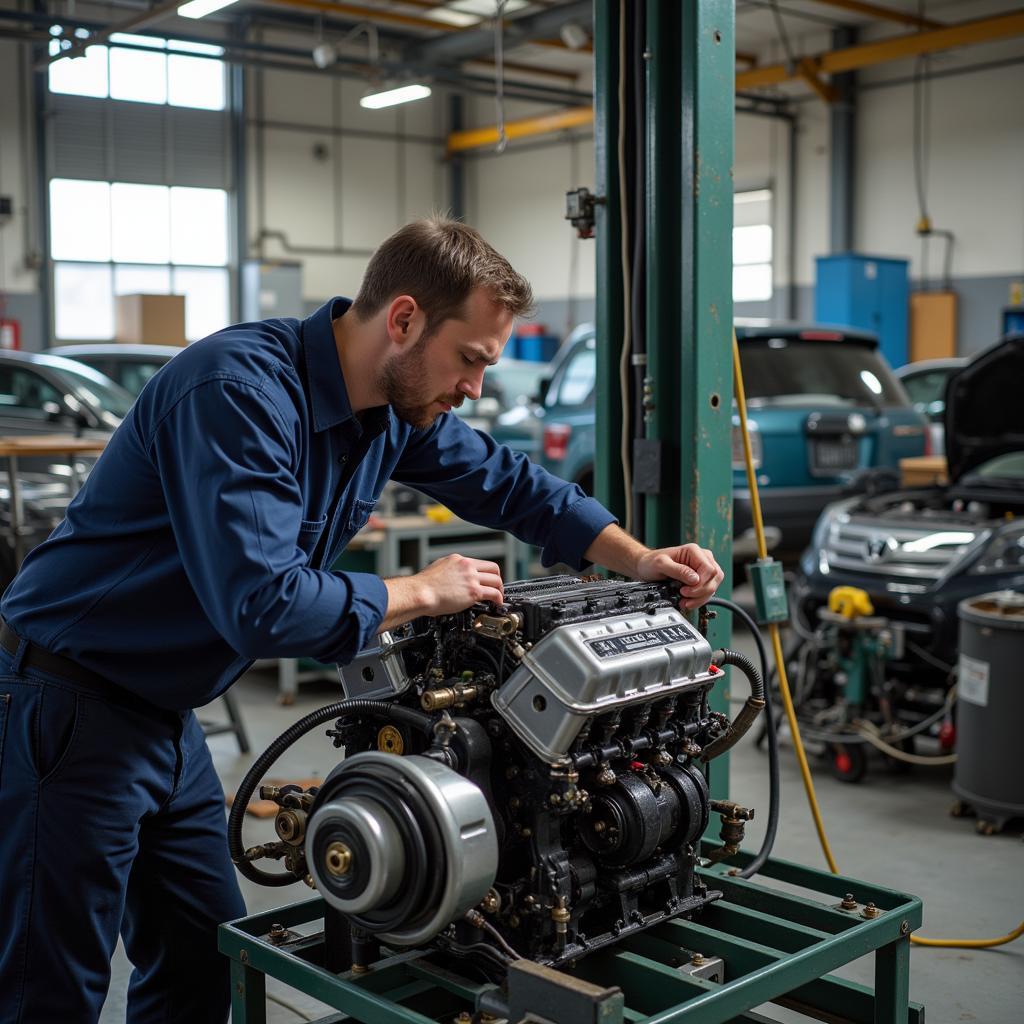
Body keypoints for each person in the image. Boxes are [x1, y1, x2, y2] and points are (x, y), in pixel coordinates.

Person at [0, 217, 723, 1022]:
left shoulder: (384, 407)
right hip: (65, 706)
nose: (476, 388)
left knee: (202, 963)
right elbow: (262, 606)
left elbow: (510, 484)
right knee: (48, 986)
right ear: (405, 319)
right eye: (472, 360)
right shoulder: (239, 393)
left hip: (167, 715)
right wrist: (418, 591)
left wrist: (638, 558)